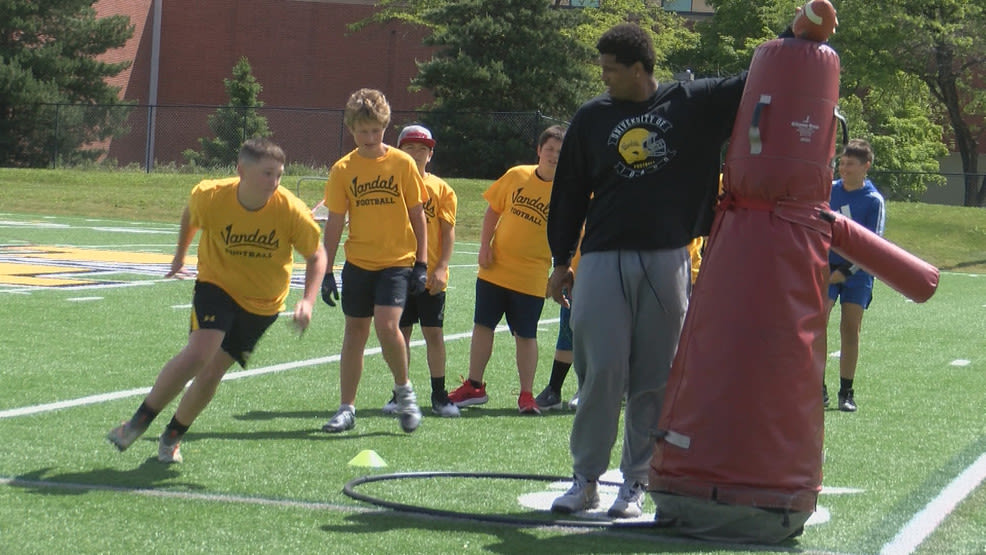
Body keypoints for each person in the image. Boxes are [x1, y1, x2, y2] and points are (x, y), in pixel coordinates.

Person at [546, 23, 749, 519]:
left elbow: (756, 75)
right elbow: (569, 191)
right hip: (601, 256)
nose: (604, 78)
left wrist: (802, 26)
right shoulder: (592, 117)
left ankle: (634, 483)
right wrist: (558, 259)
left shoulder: (690, 103)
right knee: (600, 373)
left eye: (611, 70)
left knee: (654, 379)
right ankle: (585, 479)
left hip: (668, 257)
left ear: (639, 69)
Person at [106, 138, 327, 463]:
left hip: (263, 303)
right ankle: (139, 421)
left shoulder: (290, 209)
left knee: (211, 373)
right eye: (267, 173)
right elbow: (191, 216)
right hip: (216, 285)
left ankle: (172, 436)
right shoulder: (211, 195)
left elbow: (316, 255)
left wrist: (308, 301)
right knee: (200, 352)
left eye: (279, 174)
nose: (274, 182)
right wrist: (180, 256)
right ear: (241, 170)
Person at [319, 88, 428, 434]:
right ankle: (346, 407)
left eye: (376, 130)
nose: (369, 138)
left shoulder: (402, 163)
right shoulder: (342, 169)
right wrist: (326, 270)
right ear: (351, 129)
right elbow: (335, 222)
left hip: (396, 262)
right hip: (359, 263)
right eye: (362, 131)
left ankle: (404, 391)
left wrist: (422, 263)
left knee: (387, 326)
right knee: (355, 333)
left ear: (385, 126)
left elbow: (418, 214)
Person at [448, 125, 565, 415]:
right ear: (539, 151)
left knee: (526, 335)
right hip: (496, 269)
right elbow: (492, 210)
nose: (553, 155)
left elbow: (573, 234)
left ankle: (526, 395)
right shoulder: (517, 176)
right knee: (483, 326)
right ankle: (475, 386)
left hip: (531, 276)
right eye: (549, 149)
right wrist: (484, 245)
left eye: (560, 152)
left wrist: (562, 270)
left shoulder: (568, 190)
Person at [379, 124, 460, 417]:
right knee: (401, 333)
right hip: (398, 270)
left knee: (433, 334)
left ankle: (439, 395)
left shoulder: (441, 189)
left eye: (422, 149)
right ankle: (400, 392)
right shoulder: (391, 185)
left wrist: (441, 267)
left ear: (431, 154)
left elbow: (448, 232)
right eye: (409, 148)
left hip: (430, 275)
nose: (415, 154)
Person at [825, 138, 885, 412]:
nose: (843, 168)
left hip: (856, 272)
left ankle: (846, 391)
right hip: (825, 268)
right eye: (842, 163)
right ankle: (816, 385)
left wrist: (846, 272)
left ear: (866, 167)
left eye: (850, 164)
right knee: (816, 324)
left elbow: (874, 246)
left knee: (850, 327)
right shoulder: (827, 191)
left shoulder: (873, 200)